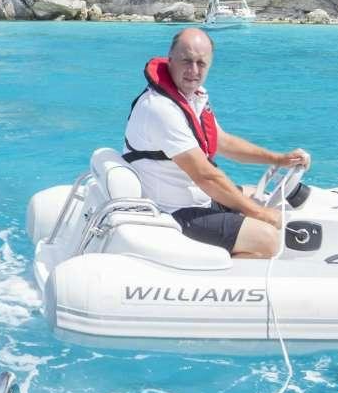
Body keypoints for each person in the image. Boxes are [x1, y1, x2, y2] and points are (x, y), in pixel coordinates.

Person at [120, 27, 312, 259]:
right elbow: (205, 175)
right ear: (170, 60)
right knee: (268, 240)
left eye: (201, 63)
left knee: (255, 194)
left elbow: (223, 142)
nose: (193, 70)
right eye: (186, 61)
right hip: (172, 212)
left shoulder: (193, 96)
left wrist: (278, 159)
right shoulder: (160, 108)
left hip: (196, 199)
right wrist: (259, 214)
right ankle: (211, 276)